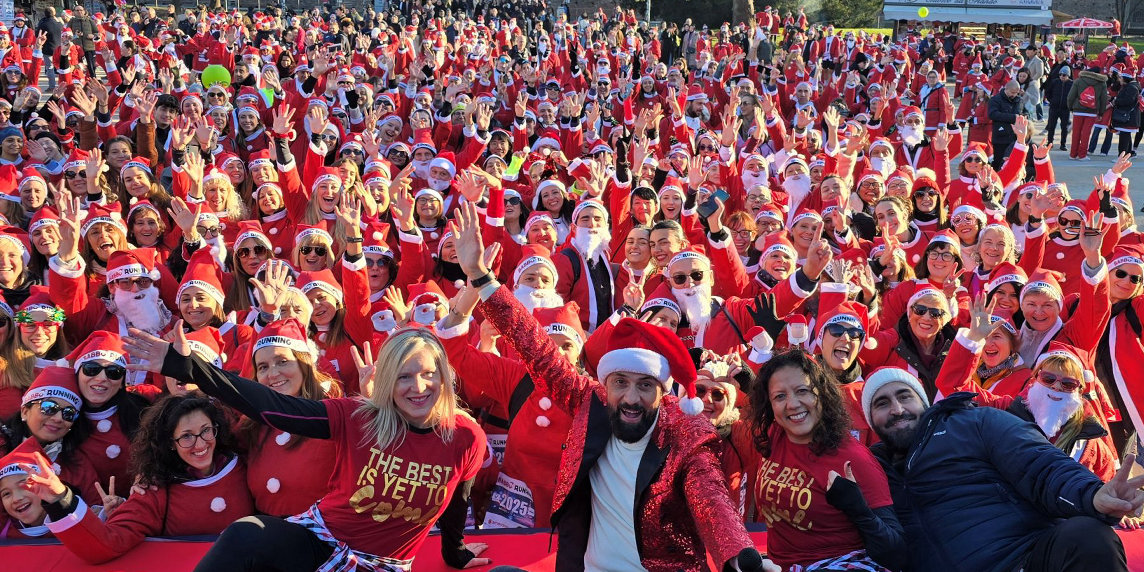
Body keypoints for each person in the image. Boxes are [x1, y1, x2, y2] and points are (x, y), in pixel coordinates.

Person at [450, 202, 777, 571]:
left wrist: (739, 555)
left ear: (663, 389)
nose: (631, 398)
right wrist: (481, 276)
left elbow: (711, 498)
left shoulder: (685, 429)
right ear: (605, 382)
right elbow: (534, 347)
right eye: (621, 382)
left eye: (646, 385)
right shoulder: (590, 401)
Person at [122, 322, 492, 571]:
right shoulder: (358, 417)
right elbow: (271, 407)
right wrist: (190, 368)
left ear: (444, 376)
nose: (419, 387)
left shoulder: (465, 438)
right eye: (404, 376)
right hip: (319, 539)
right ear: (387, 382)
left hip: (380, 565)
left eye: (429, 374)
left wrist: (455, 552)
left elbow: (457, 501)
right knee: (245, 534)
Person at [862, 368, 1142, 572]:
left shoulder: (973, 422)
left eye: (904, 396)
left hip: (1022, 560)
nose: (897, 409)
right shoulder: (871, 469)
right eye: (882, 403)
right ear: (871, 420)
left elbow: (1039, 463)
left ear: (924, 403)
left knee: (1086, 536)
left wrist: (1091, 494)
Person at [748, 349, 905, 571]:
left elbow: (896, 552)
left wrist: (859, 510)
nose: (792, 404)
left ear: (822, 393)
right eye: (780, 396)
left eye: (802, 391)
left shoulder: (853, 458)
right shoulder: (774, 435)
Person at [988, 81, 1024, 169]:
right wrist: (1013, 117)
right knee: (999, 162)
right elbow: (993, 114)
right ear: (1006, 89)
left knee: (1013, 163)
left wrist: (1024, 116)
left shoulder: (1019, 100)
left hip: (1015, 137)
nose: (1014, 95)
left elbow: (1025, 112)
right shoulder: (995, 99)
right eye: (1012, 92)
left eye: (1016, 93)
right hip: (1001, 137)